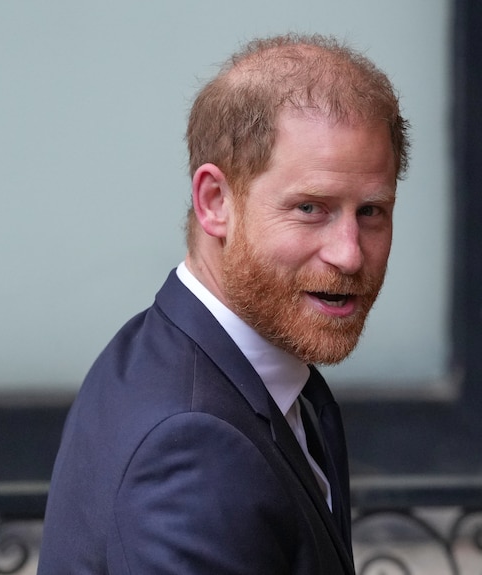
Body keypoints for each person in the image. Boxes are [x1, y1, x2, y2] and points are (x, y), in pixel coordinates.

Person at [38, 32, 409, 574]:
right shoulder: (191, 445)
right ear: (215, 203)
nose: (349, 255)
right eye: (310, 208)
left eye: (372, 211)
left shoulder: (163, 348)